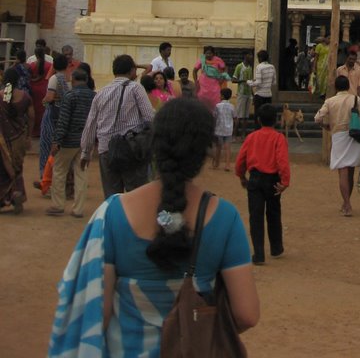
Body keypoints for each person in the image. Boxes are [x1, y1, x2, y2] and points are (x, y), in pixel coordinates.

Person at [49, 99, 260, 356]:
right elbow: (246, 315)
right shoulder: (225, 218)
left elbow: (96, 314)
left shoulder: (113, 214)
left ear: (153, 144)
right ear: (205, 151)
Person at [80, 54, 156, 198]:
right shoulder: (135, 88)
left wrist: (85, 152)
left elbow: (90, 124)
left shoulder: (101, 93)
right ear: (132, 71)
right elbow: (150, 117)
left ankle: (114, 220)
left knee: (112, 198)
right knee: (136, 197)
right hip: (131, 149)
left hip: (106, 150)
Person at [235, 103, 290, 264]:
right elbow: (282, 162)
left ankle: (258, 254)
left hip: (255, 179)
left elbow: (240, 160)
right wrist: (285, 182)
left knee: (256, 217)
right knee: (273, 214)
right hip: (273, 180)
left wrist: (241, 176)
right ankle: (276, 247)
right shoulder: (279, 138)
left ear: (258, 120)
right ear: (277, 120)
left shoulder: (251, 137)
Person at [314, 75, 360, 216]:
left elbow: (317, 118)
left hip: (338, 135)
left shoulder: (330, 101)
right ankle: (346, 202)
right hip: (354, 135)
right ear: (348, 86)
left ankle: (347, 204)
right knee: (350, 170)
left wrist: (326, 125)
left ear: (336, 87)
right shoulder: (356, 99)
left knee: (343, 170)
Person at [47, 67, 95, 218]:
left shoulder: (70, 96)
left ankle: (58, 205)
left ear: (73, 81)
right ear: (86, 80)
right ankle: (78, 209)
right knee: (82, 174)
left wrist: (56, 141)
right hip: (86, 141)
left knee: (59, 171)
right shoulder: (94, 96)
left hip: (68, 141)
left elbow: (63, 121)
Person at [0, 67, 33, 214]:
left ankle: (5, 198)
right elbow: (32, 117)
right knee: (17, 170)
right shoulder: (25, 97)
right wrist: (28, 136)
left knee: (4, 170)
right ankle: (17, 195)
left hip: (3, 142)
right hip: (19, 139)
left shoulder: (1, 96)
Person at [39, 53, 71, 176]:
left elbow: (50, 97)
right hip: (63, 115)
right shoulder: (68, 79)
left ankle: (44, 175)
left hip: (52, 114)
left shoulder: (54, 78)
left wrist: (44, 101)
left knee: (46, 145)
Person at [27, 46, 53, 136]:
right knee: (43, 109)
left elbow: (28, 77)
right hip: (44, 89)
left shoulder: (31, 65)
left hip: (33, 90)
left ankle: (34, 131)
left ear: (35, 55)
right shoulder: (49, 65)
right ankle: (43, 130)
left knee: (33, 110)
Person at [193, 45, 228, 110]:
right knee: (202, 104)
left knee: (215, 104)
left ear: (213, 54)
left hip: (215, 86)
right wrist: (195, 81)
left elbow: (225, 69)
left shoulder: (218, 60)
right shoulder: (202, 60)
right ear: (204, 54)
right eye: (207, 53)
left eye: (210, 53)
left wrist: (223, 79)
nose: (208, 55)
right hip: (203, 86)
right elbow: (194, 70)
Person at [249, 49, 276, 123]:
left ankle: (258, 131)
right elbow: (274, 82)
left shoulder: (259, 67)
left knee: (258, 116)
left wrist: (249, 82)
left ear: (260, 58)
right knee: (267, 116)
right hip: (268, 95)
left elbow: (258, 82)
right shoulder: (272, 67)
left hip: (260, 95)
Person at [232, 50, 254, 137]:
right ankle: (234, 134)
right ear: (245, 56)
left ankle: (243, 135)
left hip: (248, 94)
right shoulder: (239, 66)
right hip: (241, 93)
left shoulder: (250, 67)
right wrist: (243, 81)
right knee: (238, 115)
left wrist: (252, 93)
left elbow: (251, 81)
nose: (251, 57)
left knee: (246, 116)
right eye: (249, 55)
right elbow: (233, 79)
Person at [214, 88, 236, 171]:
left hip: (219, 129)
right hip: (228, 130)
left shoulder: (217, 106)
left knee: (218, 147)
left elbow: (215, 116)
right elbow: (235, 117)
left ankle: (216, 164)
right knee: (228, 148)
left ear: (222, 96)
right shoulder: (232, 106)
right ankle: (227, 165)